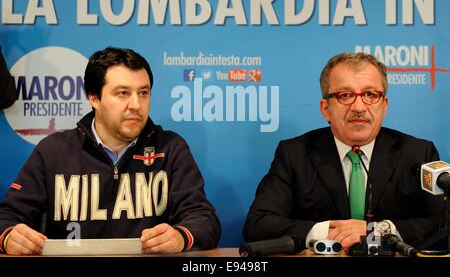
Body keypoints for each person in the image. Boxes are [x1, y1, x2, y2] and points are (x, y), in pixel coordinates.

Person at [0, 47, 221, 255]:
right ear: (94, 97)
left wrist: (181, 236)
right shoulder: (53, 151)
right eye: (123, 93)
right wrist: (10, 237)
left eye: (143, 93)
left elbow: (204, 220)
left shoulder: (171, 148)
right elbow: (7, 217)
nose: (136, 104)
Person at [243, 52, 444, 250]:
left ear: (384, 106)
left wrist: (379, 230)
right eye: (345, 95)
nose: (358, 107)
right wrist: (327, 232)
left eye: (369, 94)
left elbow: (442, 222)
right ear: (325, 109)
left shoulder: (417, 154)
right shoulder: (295, 154)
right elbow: (258, 224)